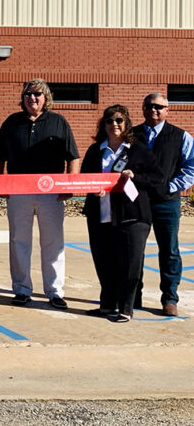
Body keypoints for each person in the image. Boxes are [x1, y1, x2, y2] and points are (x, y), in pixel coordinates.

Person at [0, 79, 79, 309]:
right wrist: (0, 184)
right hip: (18, 191)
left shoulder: (58, 122)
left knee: (53, 242)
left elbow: (73, 157)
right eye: (28, 94)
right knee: (19, 241)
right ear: (23, 98)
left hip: (50, 193)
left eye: (37, 94)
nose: (32, 98)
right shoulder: (12, 122)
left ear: (46, 97)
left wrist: (68, 187)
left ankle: (54, 291)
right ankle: (21, 289)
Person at [81, 105, 162, 323]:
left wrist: (135, 176)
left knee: (130, 264)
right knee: (103, 261)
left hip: (132, 216)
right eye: (109, 121)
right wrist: (93, 187)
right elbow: (85, 177)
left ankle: (126, 308)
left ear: (126, 123)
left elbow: (157, 178)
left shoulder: (138, 150)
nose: (114, 125)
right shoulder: (96, 150)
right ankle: (107, 305)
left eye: (119, 120)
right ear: (103, 125)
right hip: (101, 215)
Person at [133, 93, 194, 317]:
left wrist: (170, 187)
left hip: (167, 204)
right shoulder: (133, 135)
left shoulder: (180, 136)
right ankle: (133, 296)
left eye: (159, 107)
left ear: (168, 111)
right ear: (143, 109)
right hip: (137, 203)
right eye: (149, 106)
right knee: (135, 251)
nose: (154, 110)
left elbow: (191, 166)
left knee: (169, 251)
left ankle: (169, 298)